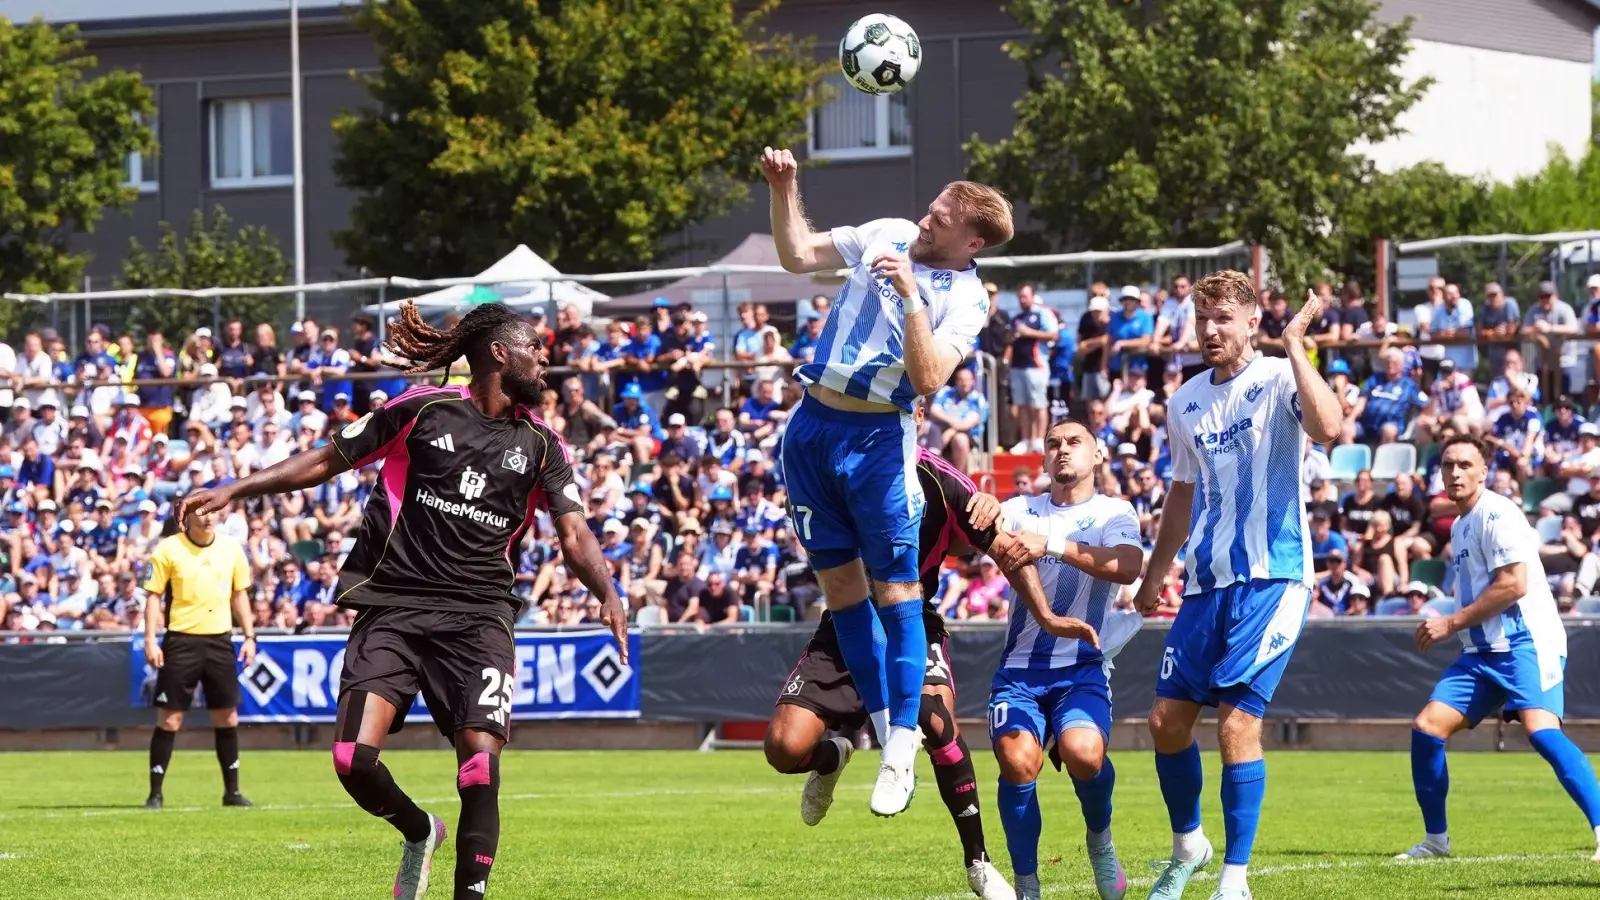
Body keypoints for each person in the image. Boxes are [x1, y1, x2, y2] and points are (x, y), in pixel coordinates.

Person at [177, 301, 627, 900]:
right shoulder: (420, 410)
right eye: (535, 346)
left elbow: (574, 534)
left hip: (480, 617)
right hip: (394, 606)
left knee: (480, 768)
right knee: (350, 760)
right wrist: (238, 487)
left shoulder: (542, 444)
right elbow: (323, 460)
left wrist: (607, 591)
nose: (546, 357)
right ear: (499, 352)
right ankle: (420, 831)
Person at [763, 145, 1010, 816]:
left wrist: (908, 296)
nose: (924, 223)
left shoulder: (967, 298)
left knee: (896, 592)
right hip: (812, 431)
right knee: (842, 595)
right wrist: (785, 189)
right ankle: (877, 728)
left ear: (972, 239)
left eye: (940, 219)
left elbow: (929, 379)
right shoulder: (887, 232)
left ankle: (903, 745)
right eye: (929, 210)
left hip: (878, 438)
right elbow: (796, 256)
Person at [765, 440, 1055, 900]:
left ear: (914, 416)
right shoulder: (830, 466)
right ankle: (834, 754)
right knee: (783, 748)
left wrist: (993, 512)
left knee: (936, 720)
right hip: (846, 621)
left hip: (911, 619)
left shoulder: (938, 479)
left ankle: (978, 862)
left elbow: (983, 541)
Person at [1132, 271, 1341, 900]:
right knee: (1166, 722)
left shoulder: (1280, 378)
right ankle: (1189, 843)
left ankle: (1235, 878)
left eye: (1224, 318)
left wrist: (1296, 343)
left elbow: (1329, 427)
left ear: (1252, 322)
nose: (1211, 330)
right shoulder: (1186, 399)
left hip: (1273, 577)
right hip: (1206, 582)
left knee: (1234, 726)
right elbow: (1181, 493)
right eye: (1203, 320)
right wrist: (1155, 574)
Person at [1397, 434, 1600, 862]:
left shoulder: (1498, 513)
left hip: (1527, 640)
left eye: (1465, 465)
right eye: (1448, 464)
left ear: (1484, 472)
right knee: (1427, 727)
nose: (1455, 472)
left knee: (1541, 732)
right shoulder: (1460, 522)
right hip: (1482, 651)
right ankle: (1436, 841)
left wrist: (1450, 622)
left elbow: (1513, 585)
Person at [984, 417, 1145, 900]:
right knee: (1017, 762)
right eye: (1053, 443)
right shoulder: (1019, 510)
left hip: (1081, 670)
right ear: (1043, 458)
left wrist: (1051, 543)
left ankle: (1100, 839)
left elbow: (1128, 565)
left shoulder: (1114, 512)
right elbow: (967, 535)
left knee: (1084, 754)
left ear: (1098, 456)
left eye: (1075, 442)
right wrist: (981, 505)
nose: (1062, 450)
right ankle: (1027, 883)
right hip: (1019, 671)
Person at [140, 502, 255, 810]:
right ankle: (155, 793)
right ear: (186, 516)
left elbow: (239, 593)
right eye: (201, 511)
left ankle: (232, 792)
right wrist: (150, 640)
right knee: (170, 718)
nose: (208, 517)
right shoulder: (168, 550)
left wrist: (249, 636)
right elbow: (152, 597)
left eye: (212, 510)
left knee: (227, 715)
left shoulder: (232, 549)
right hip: (181, 642)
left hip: (220, 641)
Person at [1008, 283, 1059, 452]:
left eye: (1025, 296)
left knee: (1038, 404)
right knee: (1022, 404)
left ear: (1032, 296)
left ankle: (1038, 438)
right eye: (1020, 297)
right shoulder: (1017, 318)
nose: (1022, 300)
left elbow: (1053, 335)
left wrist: (1028, 332)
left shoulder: (1042, 314)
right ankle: (1025, 439)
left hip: (1036, 365)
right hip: (1018, 365)